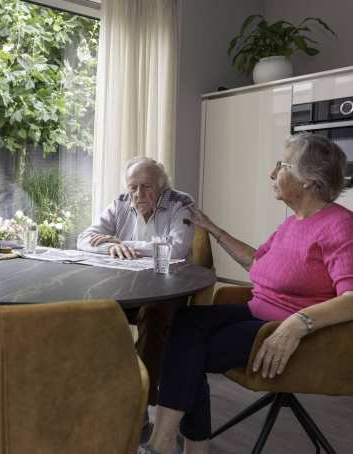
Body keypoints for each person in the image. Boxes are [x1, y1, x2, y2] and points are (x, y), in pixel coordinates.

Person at [142, 133, 353, 454]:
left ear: (308, 180)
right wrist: (214, 230)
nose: (272, 174)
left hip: (298, 337)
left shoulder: (340, 225)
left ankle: (165, 443)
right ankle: (186, 446)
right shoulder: (294, 223)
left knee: (189, 352)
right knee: (185, 321)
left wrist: (297, 325)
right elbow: (258, 263)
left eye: (281, 165)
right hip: (259, 312)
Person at [77, 157, 195, 415]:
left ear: (161, 186)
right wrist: (112, 245)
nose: (138, 194)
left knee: (154, 315)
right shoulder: (120, 202)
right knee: (91, 308)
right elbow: (84, 239)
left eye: (146, 186)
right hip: (127, 288)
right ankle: (96, 393)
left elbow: (176, 249)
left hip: (169, 289)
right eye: (133, 187)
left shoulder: (180, 202)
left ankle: (140, 405)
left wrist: (123, 244)